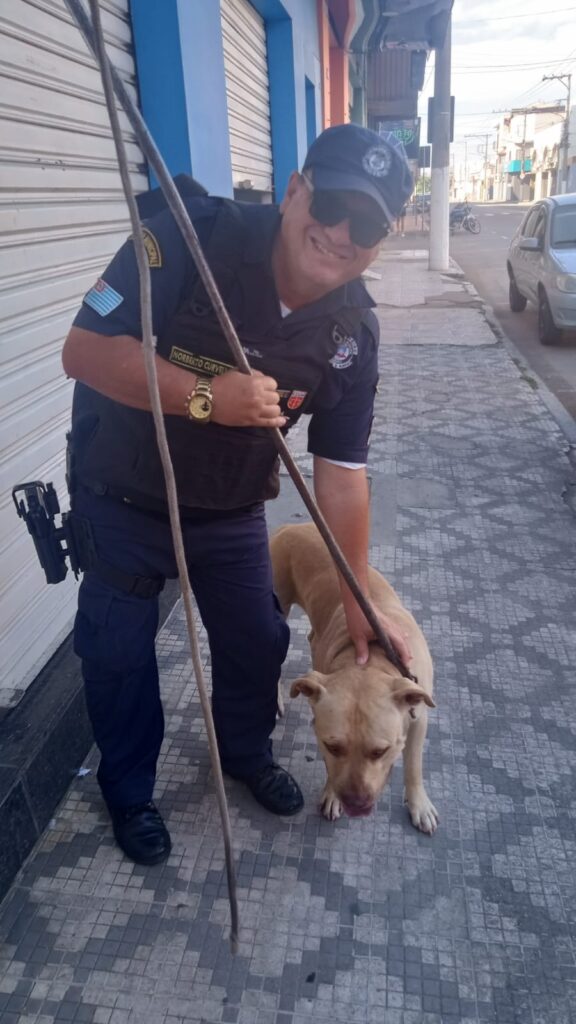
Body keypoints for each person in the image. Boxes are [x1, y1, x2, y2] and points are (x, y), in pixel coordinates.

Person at [62, 123, 414, 866]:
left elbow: (341, 473)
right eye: (333, 205)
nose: (341, 234)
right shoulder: (187, 240)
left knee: (258, 639)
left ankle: (245, 753)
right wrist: (205, 398)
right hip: (123, 497)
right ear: (294, 192)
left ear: (382, 241)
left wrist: (360, 606)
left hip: (228, 509)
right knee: (118, 653)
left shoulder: (353, 330)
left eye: (367, 224)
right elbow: (83, 351)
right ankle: (129, 791)